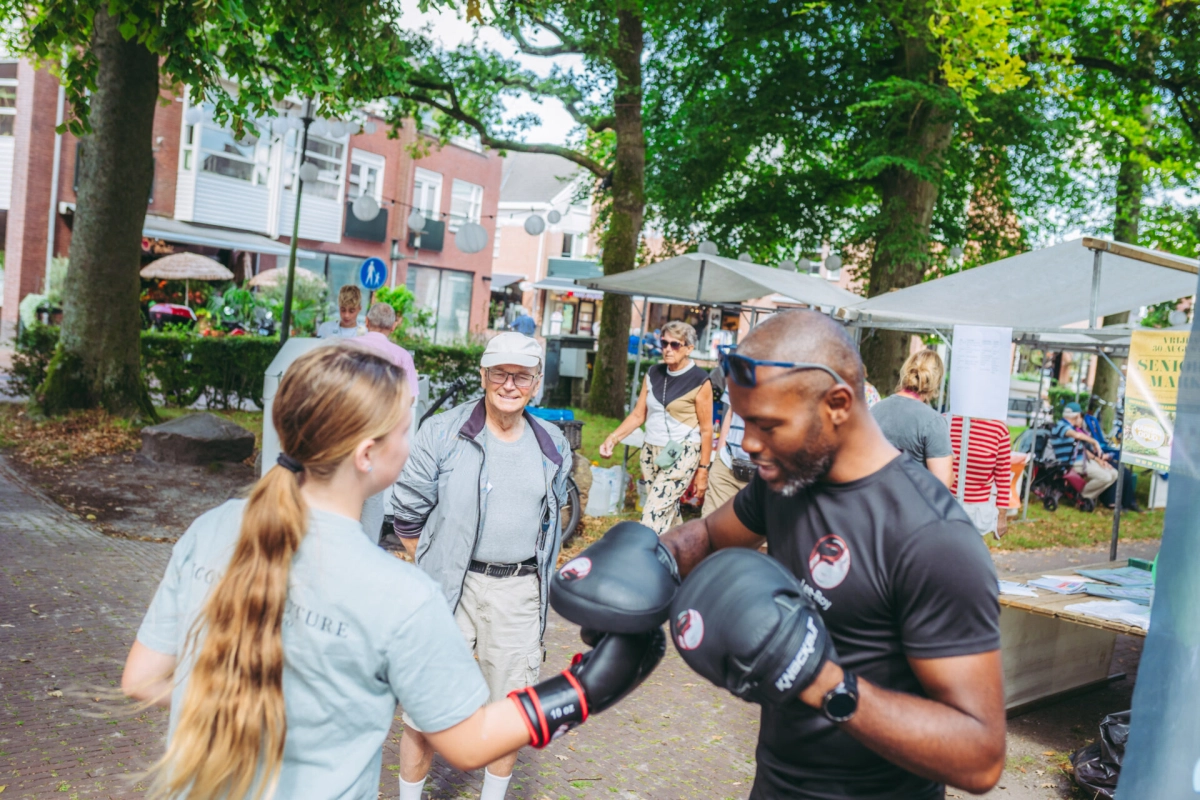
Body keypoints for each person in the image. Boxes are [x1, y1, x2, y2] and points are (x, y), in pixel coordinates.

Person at [121, 345, 660, 800]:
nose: (414, 437)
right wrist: (588, 686)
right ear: (367, 454)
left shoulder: (212, 528)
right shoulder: (400, 595)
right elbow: (470, 741)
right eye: (405, 426)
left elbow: (142, 679)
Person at [657, 310, 1005, 799]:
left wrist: (822, 682)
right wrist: (647, 562)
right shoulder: (787, 479)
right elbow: (710, 537)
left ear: (838, 403)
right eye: (744, 421)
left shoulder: (934, 539)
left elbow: (980, 758)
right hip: (776, 784)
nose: (750, 443)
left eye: (768, 424)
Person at [392, 331, 573, 800]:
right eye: (499, 373)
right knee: (424, 707)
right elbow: (408, 512)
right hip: (452, 586)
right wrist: (434, 569)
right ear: (483, 376)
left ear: (536, 384)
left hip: (519, 590)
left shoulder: (551, 443)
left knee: (510, 709)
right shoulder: (443, 432)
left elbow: (550, 523)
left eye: (521, 376)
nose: (509, 385)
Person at [599, 321, 714, 535]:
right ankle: (682, 554)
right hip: (651, 450)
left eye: (675, 344)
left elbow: (707, 430)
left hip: (682, 452)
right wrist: (612, 439)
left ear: (689, 348)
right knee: (665, 510)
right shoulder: (653, 373)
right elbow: (637, 415)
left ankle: (642, 562)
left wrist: (703, 471)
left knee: (653, 515)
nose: (668, 349)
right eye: (664, 343)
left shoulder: (700, 381)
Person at [871, 349, 953, 486]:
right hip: (909, 504)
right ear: (936, 382)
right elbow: (942, 483)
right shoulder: (933, 422)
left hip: (872, 501)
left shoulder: (874, 410)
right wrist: (951, 472)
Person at [948, 414, 1013, 538]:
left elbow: (1003, 475)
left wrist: (1002, 516)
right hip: (945, 507)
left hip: (977, 513)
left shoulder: (999, 429)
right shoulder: (945, 421)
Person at [1050, 402, 1118, 509]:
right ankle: (1081, 497)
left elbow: (1084, 450)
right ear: (1077, 416)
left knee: (1114, 473)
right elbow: (1076, 435)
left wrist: (1098, 460)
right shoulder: (1061, 426)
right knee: (1106, 477)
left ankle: (1085, 497)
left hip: (1084, 461)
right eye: (1081, 417)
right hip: (1072, 463)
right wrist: (1094, 442)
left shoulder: (1070, 427)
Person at [1084, 400, 1141, 512]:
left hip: (1100, 456)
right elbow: (1085, 449)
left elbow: (1099, 443)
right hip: (1094, 458)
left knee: (1127, 473)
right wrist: (1099, 457)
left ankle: (1129, 502)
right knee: (1117, 472)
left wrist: (1105, 455)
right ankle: (1111, 501)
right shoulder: (1081, 429)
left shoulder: (1092, 424)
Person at [701, 388, 751, 516]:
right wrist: (721, 450)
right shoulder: (739, 370)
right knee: (711, 526)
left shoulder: (793, 372)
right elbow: (730, 412)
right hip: (727, 464)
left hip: (768, 473)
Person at [356, 302, 418, 398]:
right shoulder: (403, 356)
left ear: (366, 321)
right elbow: (410, 397)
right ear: (393, 326)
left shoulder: (343, 346)